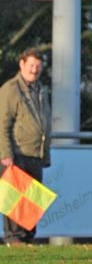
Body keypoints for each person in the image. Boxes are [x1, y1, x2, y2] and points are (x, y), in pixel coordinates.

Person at [0, 48, 52, 246]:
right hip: (16, 153)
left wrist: (45, 153)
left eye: (38, 66)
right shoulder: (10, 89)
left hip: (34, 154)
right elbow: (2, 124)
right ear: (21, 64)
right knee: (14, 200)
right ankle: (14, 239)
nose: (34, 70)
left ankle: (28, 239)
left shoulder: (41, 89)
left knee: (31, 201)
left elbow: (44, 121)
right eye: (31, 65)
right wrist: (5, 154)